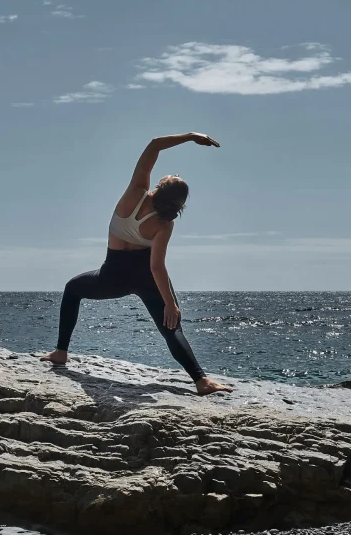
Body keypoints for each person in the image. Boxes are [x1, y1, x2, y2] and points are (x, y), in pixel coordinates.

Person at [41, 132, 233, 395]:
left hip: (112, 275)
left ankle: (61, 352)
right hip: (145, 276)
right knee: (170, 327)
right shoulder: (165, 224)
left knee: (72, 289)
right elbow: (156, 267)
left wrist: (191, 137)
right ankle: (201, 381)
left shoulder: (136, 192)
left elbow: (154, 145)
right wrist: (170, 304)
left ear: (161, 186)